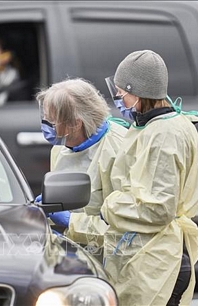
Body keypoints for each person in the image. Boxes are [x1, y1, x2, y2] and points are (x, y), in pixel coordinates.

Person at [100, 50, 198, 305]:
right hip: (151, 255)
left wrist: (109, 209)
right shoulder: (157, 126)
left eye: (121, 92)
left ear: (137, 91)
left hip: (158, 261)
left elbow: (159, 208)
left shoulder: (164, 134)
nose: (118, 98)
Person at [35, 78, 128, 260]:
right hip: (77, 255)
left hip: (117, 260)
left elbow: (123, 230)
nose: (46, 126)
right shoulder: (61, 147)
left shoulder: (120, 151)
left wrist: (72, 222)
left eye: (51, 122)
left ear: (76, 124)